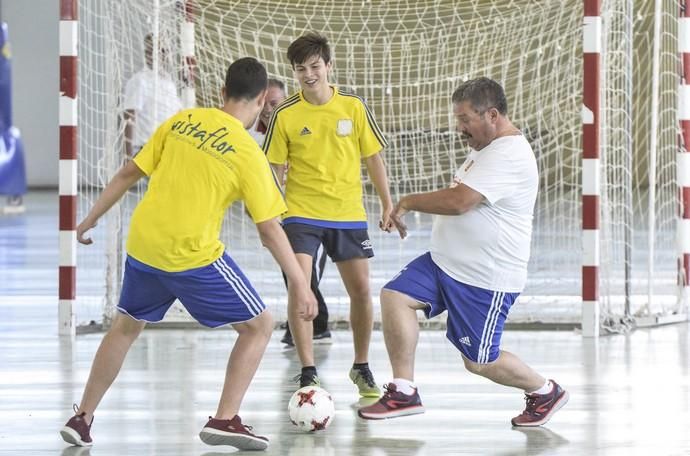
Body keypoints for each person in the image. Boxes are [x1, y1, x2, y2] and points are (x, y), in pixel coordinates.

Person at [59, 57, 316, 451]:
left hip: (144, 244)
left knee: (125, 327)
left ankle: (83, 417)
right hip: (190, 255)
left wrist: (89, 218)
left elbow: (130, 171)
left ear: (222, 92)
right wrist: (301, 284)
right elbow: (268, 230)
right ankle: (224, 419)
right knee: (259, 326)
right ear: (264, 99)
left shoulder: (181, 121)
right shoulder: (249, 154)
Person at [358, 77, 569, 427]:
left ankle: (546, 391)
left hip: (484, 278)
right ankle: (404, 390)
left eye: (465, 119)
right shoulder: (484, 148)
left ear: (493, 115)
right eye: (458, 119)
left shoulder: (510, 154)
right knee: (394, 296)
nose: (460, 128)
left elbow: (460, 203)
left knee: (479, 362)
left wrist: (407, 201)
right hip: (445, 263)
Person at [263, 32, 400, 397]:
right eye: (300, 69)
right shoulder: (285, 113)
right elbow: (274, 167)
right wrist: (273, 209)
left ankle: (361, 366)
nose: (308, 74)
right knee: (300, 285)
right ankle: (308, 370)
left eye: (314, 66)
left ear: (328, 66)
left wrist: (387, 203)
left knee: (361, 291)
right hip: (300, 213)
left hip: (347, 213)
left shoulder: (353, 106)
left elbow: (373, 157)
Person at [247, 77, 332, 347]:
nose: (269, 109)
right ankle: (309, 321)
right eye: (265, 104)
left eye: (275, 103)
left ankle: (316, 323)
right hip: (278, 214)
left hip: (313, 211)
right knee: (291, 269)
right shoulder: (252, 137)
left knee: (302, 270)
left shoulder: (302, 126)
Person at [123, 33, 182, 159]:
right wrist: (127, 155)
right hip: (145, 148)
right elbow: (129, 115)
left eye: (163, 51)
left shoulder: (169, 82)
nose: (158, 56)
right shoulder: (140, 80)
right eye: (152, 52)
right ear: (146, 54)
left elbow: (178, 114)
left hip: (167, 148)